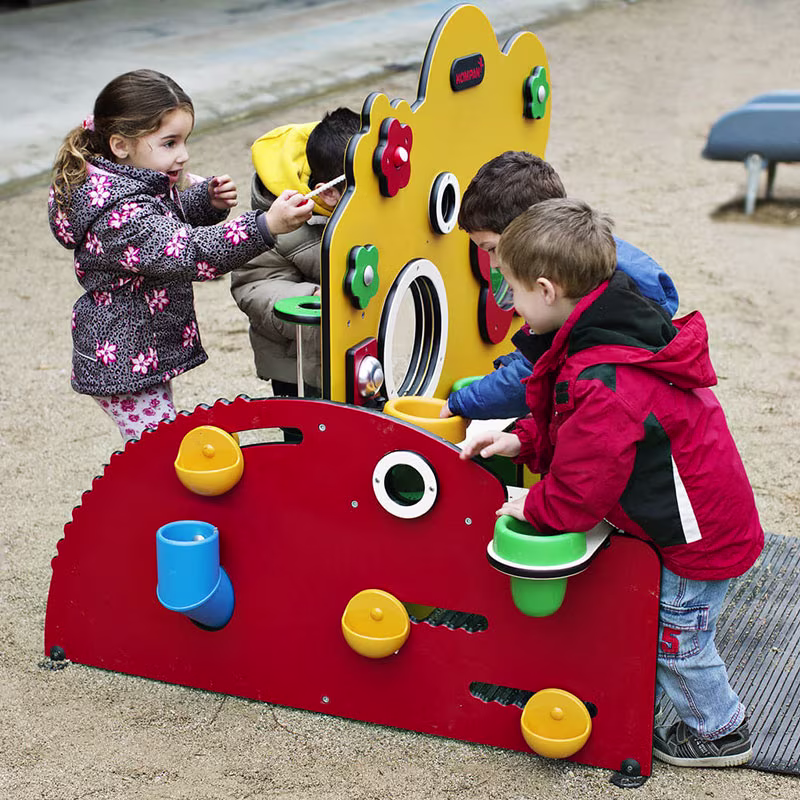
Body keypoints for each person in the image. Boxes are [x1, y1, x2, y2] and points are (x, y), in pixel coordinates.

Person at [461, 197, 764, 768]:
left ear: (546, 290)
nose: (509, 302)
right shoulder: (605, 330)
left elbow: (583, 484)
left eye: (512, 289)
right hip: (686, 516)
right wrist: (522, 439)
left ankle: (720, 730)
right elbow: (578, 423)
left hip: (694, 537)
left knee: (680, 639)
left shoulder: (606, 374)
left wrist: (532, 508)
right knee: (668, 625)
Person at [48, 69, 312, 442]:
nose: (184, 155)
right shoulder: (119, 213)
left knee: (153, 445)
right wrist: (265, 225)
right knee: (158, 450)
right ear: (121, 145)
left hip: (137, 350)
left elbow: (159, 227)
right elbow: (186, 251)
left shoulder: (126, 184)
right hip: (123, 357)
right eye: (169, 143)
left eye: (185, 141)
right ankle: (144, 500)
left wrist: (202, 201)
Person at [441, 151, 680, 421]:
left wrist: (461, 402)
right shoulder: (590, 261)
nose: (494, 263)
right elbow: (539, 350)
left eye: (493, 249)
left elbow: (534, 374)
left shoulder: (584, 296)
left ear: (529, 235)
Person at [230, 108, 360, 397]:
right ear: (328, 193)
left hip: (364, 346)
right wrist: (310, 299)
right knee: (306, 434)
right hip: (302, 363)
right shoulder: (279, 220)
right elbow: (254, 285)